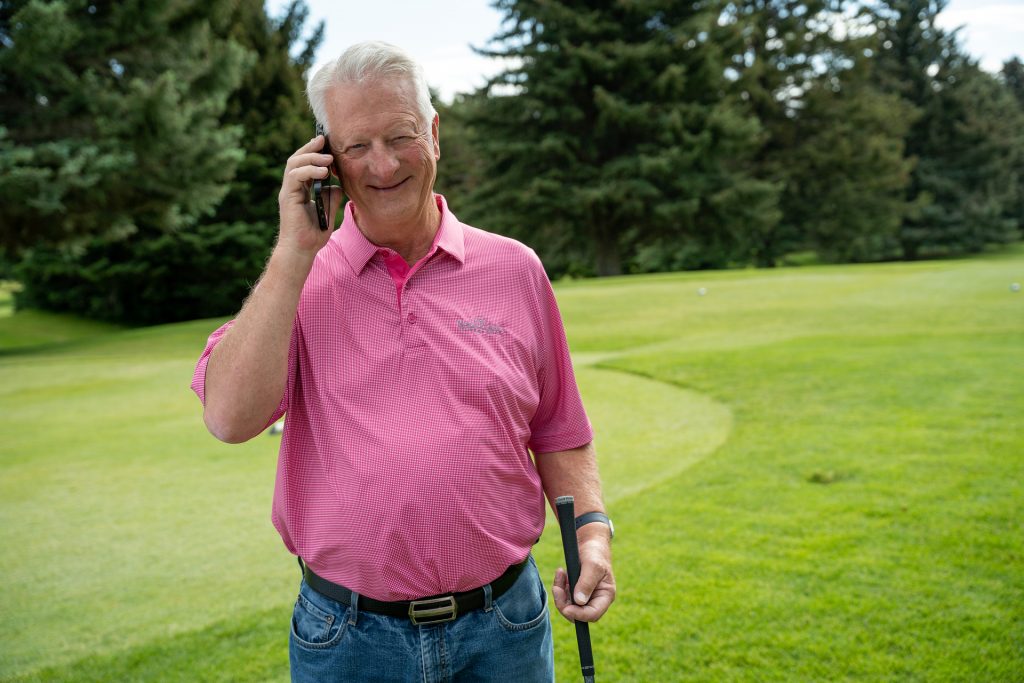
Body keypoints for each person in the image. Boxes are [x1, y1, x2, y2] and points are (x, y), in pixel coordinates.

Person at [191, 40, 615, 682]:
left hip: (506, 626)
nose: (383, 165)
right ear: (325, 158)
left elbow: (559, 429)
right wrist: (292, 251)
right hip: (350, 641)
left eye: (401, 136)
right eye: (357, 146)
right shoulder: (297, 282)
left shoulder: (515, 269)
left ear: (435, 134)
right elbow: (229, 416)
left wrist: (591, 536)